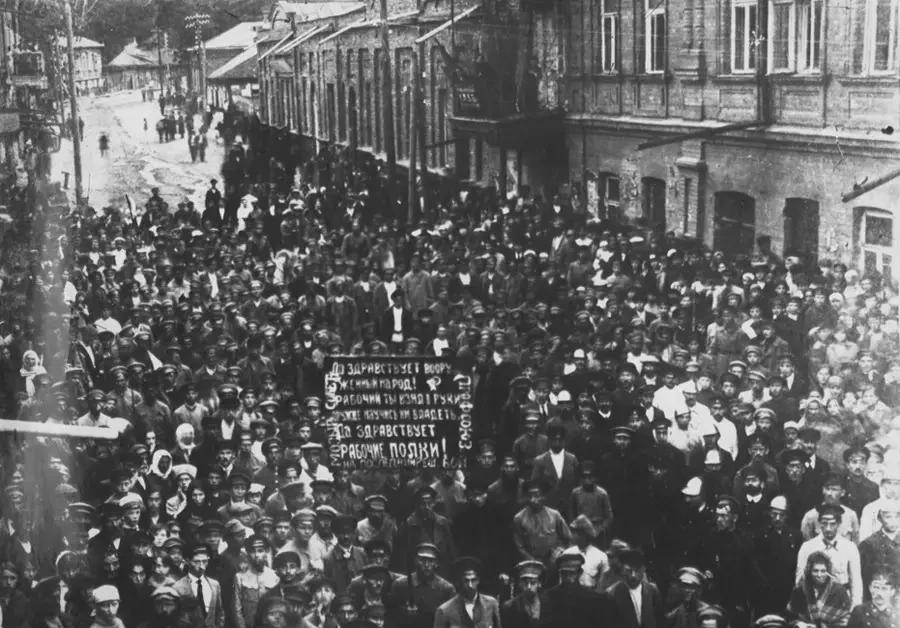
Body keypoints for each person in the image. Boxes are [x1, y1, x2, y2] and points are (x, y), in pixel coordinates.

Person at [786, 551, 852, 628]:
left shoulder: (839, 591)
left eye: (823, 571)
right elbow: (790, 616)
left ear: (828, 572)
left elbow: (846, 619)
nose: (819, 575)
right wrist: (800, 624)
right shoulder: (800, 590)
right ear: (809, 571)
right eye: (815, 571)